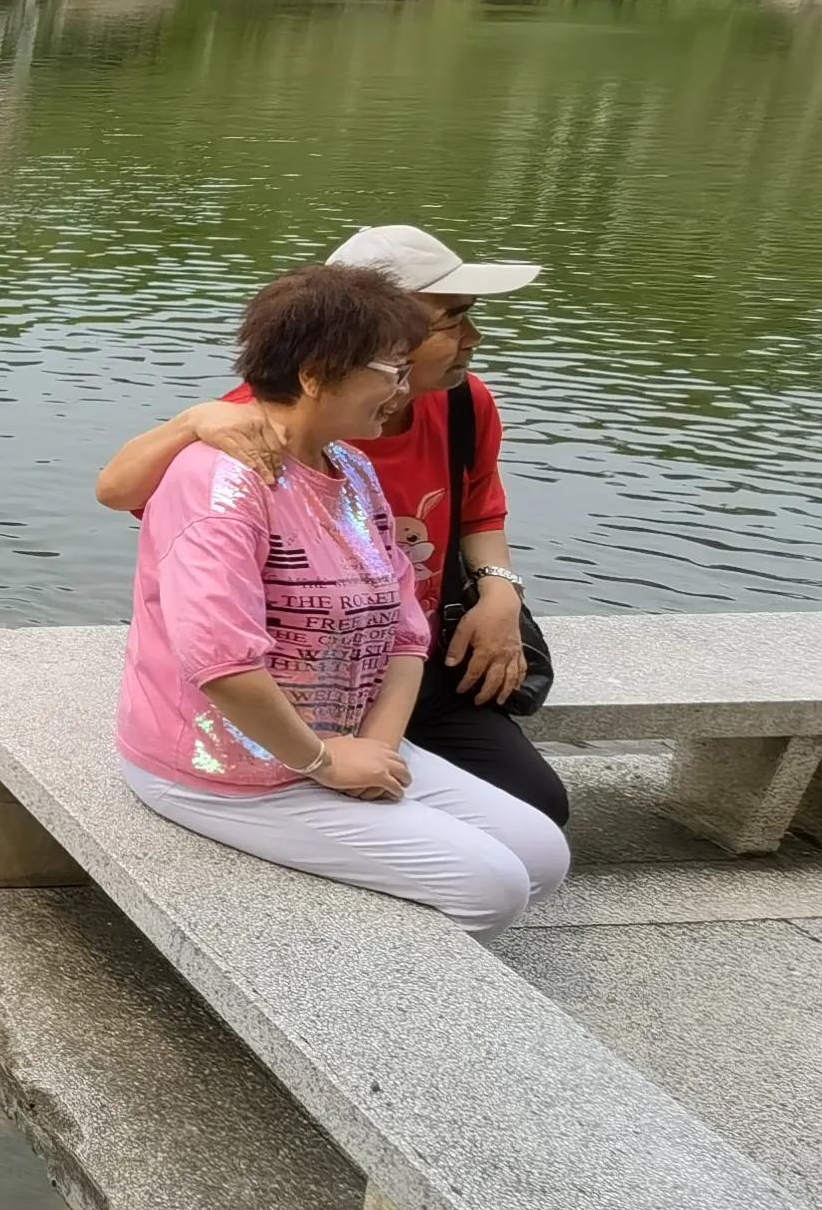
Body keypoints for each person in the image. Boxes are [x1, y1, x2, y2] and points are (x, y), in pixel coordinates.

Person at [114, 264, 567, 935]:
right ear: (315, 373)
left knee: (543, 855)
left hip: (342, 738)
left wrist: (375, 754)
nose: (404, 390)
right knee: (493, 887)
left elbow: (409, 634)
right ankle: (365, 1018)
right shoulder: (219, 484)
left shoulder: (349, 468)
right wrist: (322, 762)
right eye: (391, 371)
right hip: (229, 765)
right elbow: (224, 663)